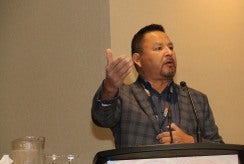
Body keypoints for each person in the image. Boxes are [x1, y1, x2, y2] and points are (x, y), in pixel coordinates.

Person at [91, 24, 224, 148]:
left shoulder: (196, 100)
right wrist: (109, 87)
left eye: (171, 47)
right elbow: (102, 119)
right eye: (159, 48)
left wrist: (191, 141)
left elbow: (220, 148)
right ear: (138, 60)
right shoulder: (123, 95)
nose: (169, 53)